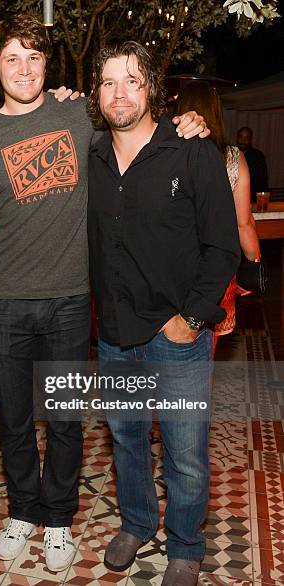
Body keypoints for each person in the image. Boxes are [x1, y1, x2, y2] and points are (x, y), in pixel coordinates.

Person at [0, 15, 209, 573]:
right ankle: (23, 507)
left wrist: (187, 120)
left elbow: (137, 127)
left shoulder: (78, 114)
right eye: (11, 58)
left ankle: (57, 520)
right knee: (16, 418)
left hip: (73, 300)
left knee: (66, 419)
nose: (24, 68)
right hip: (4, 301)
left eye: (34, 57)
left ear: (47, 65)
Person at [87, 42, 239, 585]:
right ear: (96, 94)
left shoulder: (192, 150)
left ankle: (187, 546)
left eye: (131, 80)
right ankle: (136, 522)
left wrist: (192, 318)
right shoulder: (93, 156)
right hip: (115, 333)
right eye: (108, 83)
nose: (119, 93)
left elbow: (224, 246)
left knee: (185, 450)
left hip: (176, 335)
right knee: (126, 438)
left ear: (151, 87)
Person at [178, 82, 261, 350]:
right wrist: (255, 261)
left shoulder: (166, 152)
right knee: (202, 349)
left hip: (171, 266)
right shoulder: (232, 158)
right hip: (214, 268)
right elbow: (243, 222)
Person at [236, 126, 269, 199]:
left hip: (252, 197)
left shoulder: (258, 156)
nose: (243, 140)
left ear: (250, 139)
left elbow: (263, 180)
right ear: (237, 138)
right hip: (234, 197)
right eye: (241, 137)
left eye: (246, 137)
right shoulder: (231, 154)